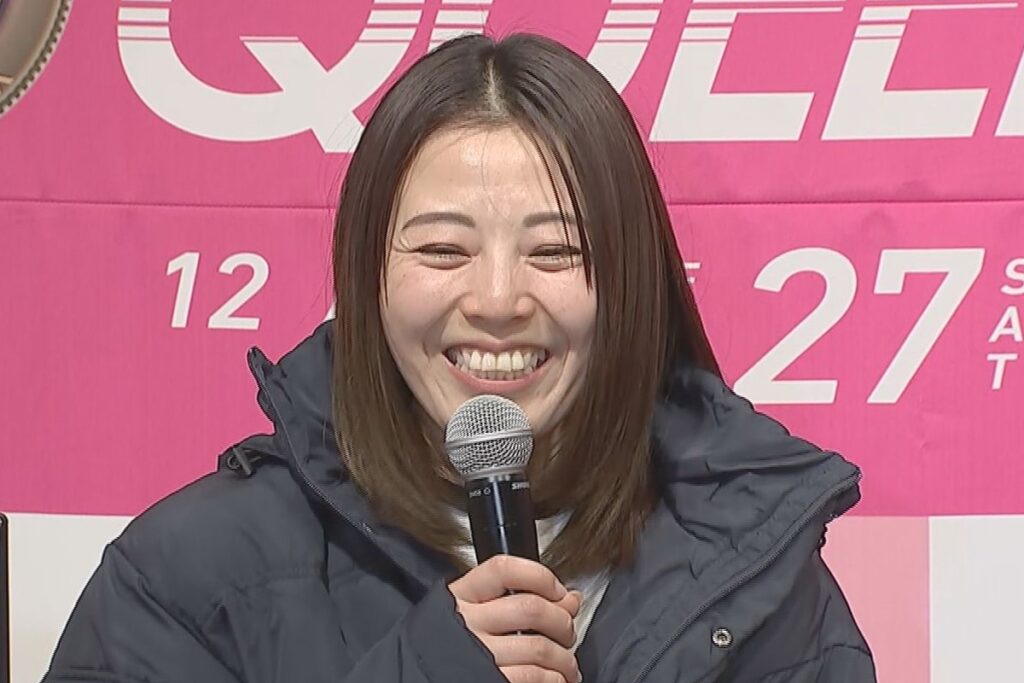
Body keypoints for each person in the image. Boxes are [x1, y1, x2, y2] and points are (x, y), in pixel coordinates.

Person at [44, 33, 875, 683]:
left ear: (633, 283)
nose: (498, 299)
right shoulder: (189, 576)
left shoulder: (764, 586)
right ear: (368, 277)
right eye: (443, 250)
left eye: (555, 252)